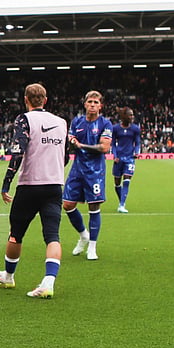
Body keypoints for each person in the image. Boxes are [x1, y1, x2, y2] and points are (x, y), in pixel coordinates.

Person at [0, 83, 68, 298]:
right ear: (45, 100)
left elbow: (18, 151)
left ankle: (8, 277)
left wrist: (6, 183)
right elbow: (65, 157)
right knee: (52, 235)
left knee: (16, 234)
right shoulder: (62, 122)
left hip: (29, 185)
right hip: (54, 185)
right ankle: (48, 282)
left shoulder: (24, 119)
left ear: (26, 100)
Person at [64, 90, 113, 260]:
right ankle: (83, 235)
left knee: (94, 207)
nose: (92, 105)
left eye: (96, 102)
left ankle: (92, 246)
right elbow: (71, 141)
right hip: (78, 168)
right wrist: (71, 143)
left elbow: (104, 148)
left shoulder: (105, 124)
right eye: (90, 102)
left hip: (95, 171)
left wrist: (80, 145)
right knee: (68, 204)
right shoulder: (77, 121)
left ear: (101, 106)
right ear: (85, 104)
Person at [110, 107, 141, 213]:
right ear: (124, 116)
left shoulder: (135, 129)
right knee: (117, 183)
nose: (132, 117)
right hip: (118, 158)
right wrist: (114, 155)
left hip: (129, 158)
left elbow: (137, 142)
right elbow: (113, 143)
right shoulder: (115, 128)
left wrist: (137, 152)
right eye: (130, 115)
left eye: (132, 115)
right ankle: (121, 202)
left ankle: (122, 205)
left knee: (127, 180)